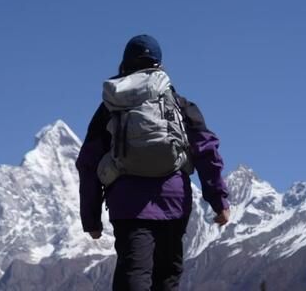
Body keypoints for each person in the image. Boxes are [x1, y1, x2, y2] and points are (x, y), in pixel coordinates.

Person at [76, 34, 230, 291]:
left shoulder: (111, 107)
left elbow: (88, 163)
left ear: (124, 65)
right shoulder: (178, 103)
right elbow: (206, 150)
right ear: (158, 65)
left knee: (134, 273)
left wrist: (91, 219)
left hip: (128, 205)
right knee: (167, 276)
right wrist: (219, 200)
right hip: (174, 200)